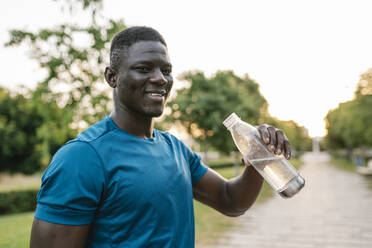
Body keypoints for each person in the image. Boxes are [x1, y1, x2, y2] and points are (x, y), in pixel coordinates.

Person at [30, 26, 292, 248]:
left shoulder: (175, 149)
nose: (160, 79)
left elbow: (231, 200)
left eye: (166, 70)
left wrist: (259, 157)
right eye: (144, 69)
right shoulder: (82, 157)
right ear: (112, 77)